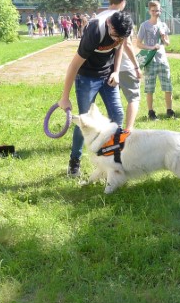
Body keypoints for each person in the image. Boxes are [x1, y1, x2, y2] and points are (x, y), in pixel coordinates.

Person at [57, 10, 134, 177]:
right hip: (87, 77)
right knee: (84, 120)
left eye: (121, 37)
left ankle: (114, 158)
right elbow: (74, 65)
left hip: (108, 76)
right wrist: (65, 97)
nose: (117, 40)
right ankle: (74, 161)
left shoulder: (122, 30)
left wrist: (116, 71)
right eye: (115, 36)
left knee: (117, 114)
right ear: (109, 24)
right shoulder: (95, 31)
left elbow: (119, 48)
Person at [96, 0, 143, 132]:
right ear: (122, 2)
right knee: (134, 98)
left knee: (113, 103)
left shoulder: (100, 16)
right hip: (124, 66)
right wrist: (136, 66)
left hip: (106, 68)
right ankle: (128, 131)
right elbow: (126, 44)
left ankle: (112, 130)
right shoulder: (121, 18)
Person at [137, 0, 174, 120]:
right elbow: (138, 43)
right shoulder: (144, 25)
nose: (155, 13)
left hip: (162, 60)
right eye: (153, 11)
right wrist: (151, 47)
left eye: (157, 10)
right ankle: (151, 112)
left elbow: (167, 43)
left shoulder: (163, 25)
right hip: (150, 61)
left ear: (160, 11)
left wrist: (163, 37)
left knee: (168, 86)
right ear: (149, 11)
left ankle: (169, 111)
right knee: (150, 88)